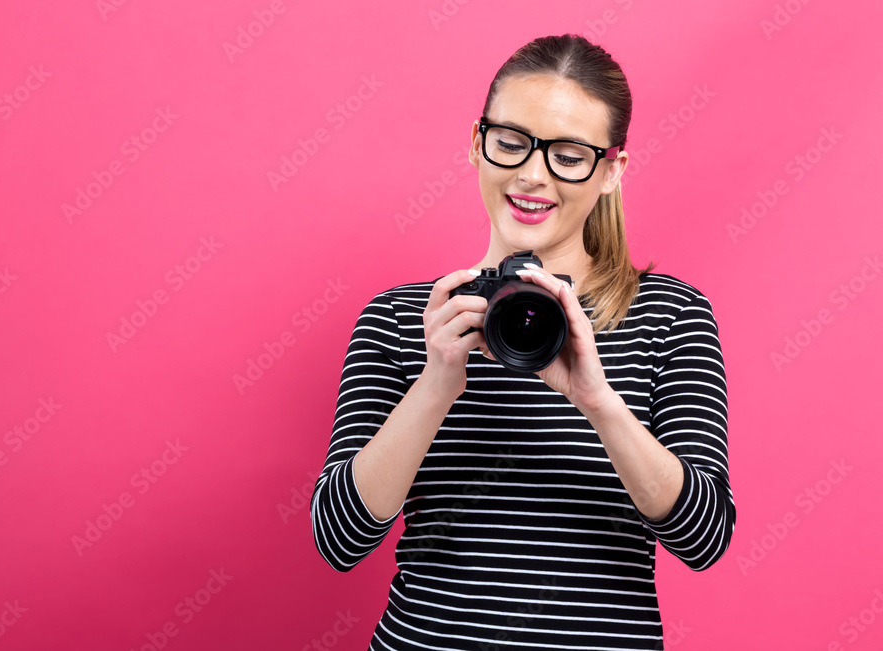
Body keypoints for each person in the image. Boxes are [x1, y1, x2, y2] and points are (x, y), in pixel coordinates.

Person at [309, 33, 734, 650]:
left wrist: (598, 400)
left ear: (611, 171)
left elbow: (704, 538)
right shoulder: (404, 319)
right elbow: (339, 542)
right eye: (511, 143)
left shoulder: (668, 315)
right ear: (477, 145)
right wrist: (435, 387)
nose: (532, 175)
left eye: (568, 155)